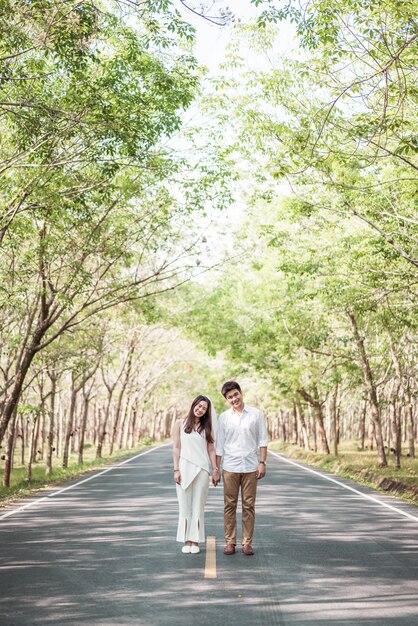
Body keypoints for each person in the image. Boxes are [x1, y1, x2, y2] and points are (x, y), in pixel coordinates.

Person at [215, 381, 268, 556]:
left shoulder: (256, 414)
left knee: (248, 505)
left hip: (251, 466)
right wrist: (216, 468)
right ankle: (230, 542)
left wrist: (262, 462)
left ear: (241, 393)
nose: (234, 399)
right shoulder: (223, 417)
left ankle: (247, 543)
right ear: (226, 399)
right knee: (229, 505)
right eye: (230, 397)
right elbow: (220, 445)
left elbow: (262, 440)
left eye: (236, 394)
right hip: (230, 466)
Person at [172, 395, 220, 554]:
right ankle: (186, 540)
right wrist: (176, 469)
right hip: (184, 468)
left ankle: (195, 540)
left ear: (207, 412)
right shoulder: (180, 423)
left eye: (204, 408)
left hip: (202, 470)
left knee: (198, 506)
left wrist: (215, 469)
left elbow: (211, 449)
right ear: (193, 405)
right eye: (198, 406)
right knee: (184, 506)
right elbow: (176, 448)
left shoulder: (207, 428)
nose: (200, 410)